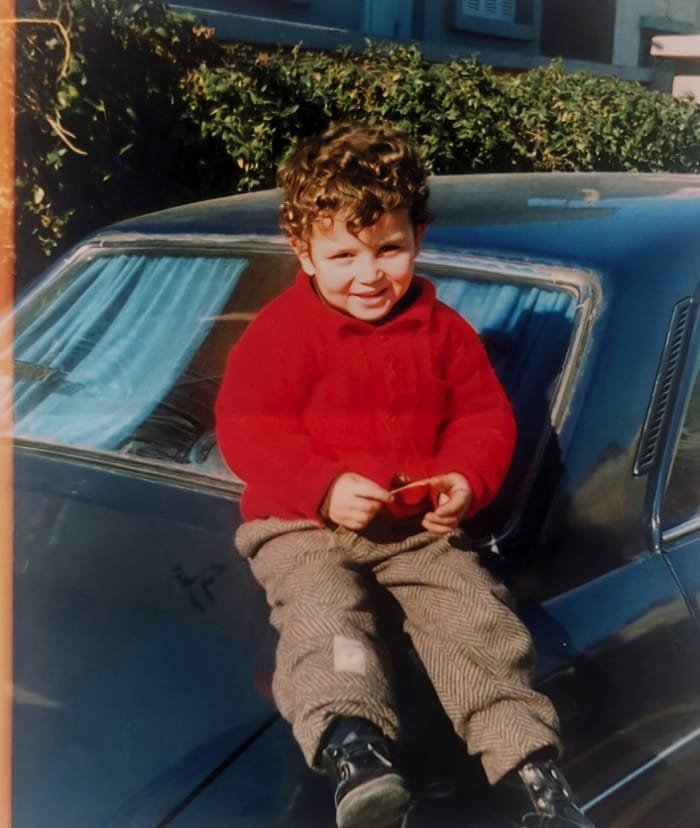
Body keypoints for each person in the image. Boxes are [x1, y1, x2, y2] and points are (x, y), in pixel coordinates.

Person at [215, 123, 594, 828]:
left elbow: (484, 422)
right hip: (301, 523)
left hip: (414, 528)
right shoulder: (280, 333)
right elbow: (248, 427)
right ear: (303, 253)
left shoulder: (444, 332)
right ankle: (354, 751)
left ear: (419, 235)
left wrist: (463, 480)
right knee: (326, 621)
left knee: (475, 621)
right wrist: (323, 486)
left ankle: (532, 772)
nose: (369, 273)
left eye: (389, 248)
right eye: (343, 254)